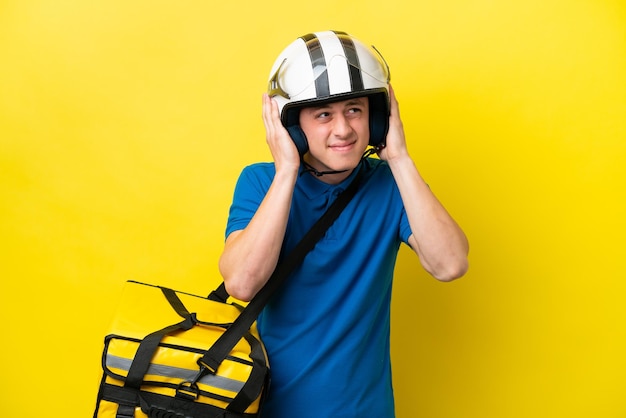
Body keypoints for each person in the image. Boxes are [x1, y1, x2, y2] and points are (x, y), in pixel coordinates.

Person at [219, 30, 469, 418]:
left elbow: (450, 264)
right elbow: (242, 283)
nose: (344, 129)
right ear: (293, 126)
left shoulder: (391, 186)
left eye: (355, 110)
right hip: (271, 409)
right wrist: (287, 170)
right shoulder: (260, 182)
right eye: (323, 115)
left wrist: (400, 160)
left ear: (378, 118)